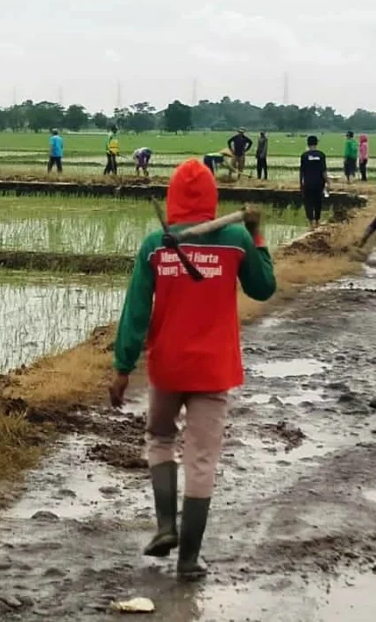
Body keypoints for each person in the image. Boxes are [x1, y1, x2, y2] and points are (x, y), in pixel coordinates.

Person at [108, 159, 276, 581]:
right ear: (212, 196)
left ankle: (166, 525)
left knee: (160, 438)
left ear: (173, 197)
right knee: (202, 457)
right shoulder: (236, 239)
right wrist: (257, 235)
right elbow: (264, 287)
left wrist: (122, 366)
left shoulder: (156, 244)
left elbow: (135, 311)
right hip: (213, 369)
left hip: (167, 365)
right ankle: (189, 560)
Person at [299, 135, 328, 228]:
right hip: (319, 183)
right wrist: (328, 182)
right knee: (318, 202)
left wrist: (301, 184)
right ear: (316, 143)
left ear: (307, 144)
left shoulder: (304, 156)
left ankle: (311, 222)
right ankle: (317, 221)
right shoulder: (321, 155)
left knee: (308, 202)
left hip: (308, 183)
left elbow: (301, 171)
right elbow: (324, 171)